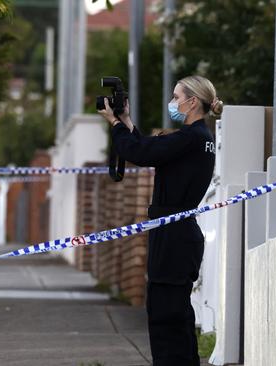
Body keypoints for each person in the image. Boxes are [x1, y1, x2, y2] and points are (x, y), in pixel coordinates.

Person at [98, 75, 223, 365]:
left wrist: (115, 125)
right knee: (175, 315)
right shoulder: (198, 138)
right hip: (178, 234)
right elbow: (150, 150)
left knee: (166, 317)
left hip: (174, 237)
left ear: (192, 102)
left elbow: (139, 153)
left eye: (177, 97)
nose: (173, 102)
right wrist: (127, 122)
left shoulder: (191, 138)